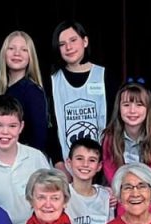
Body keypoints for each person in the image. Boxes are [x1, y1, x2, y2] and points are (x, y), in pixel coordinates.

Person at [0, 95, 52, 224]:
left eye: (12, 126)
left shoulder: (36, 158)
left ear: (21, 126)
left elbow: (50, 193)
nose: (5, 132)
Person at [101, 80, 151, 218]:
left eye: (139, 105)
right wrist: (124, 200)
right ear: (118, 108)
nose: (132, 111)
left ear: (148, 108)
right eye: (126, 105)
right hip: (123, 201)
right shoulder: (110, 136)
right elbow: (112, 175)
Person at [49, 21, 114, 157]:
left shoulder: (104, 75)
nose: (68, 47)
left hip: (102, 160)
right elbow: (50, 126)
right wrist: (58, 162)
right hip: (65, 167)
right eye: (62, 44)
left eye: (73, 40)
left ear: (85, 41)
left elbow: (114, 120)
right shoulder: (53, 80)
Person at [0, 31, 62, 167]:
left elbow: (39, 139)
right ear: (4, 53)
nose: (17, 53)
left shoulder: (32, 91)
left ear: (30, 56)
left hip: (24, 165)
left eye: (24, 50)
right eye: (11, 48)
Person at [64, 139, 113, 224]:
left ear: (99, 166)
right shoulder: (62, 194)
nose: (85, 164)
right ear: (69, 163)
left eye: (92, 160)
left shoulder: (106, 196)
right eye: (79, 159)